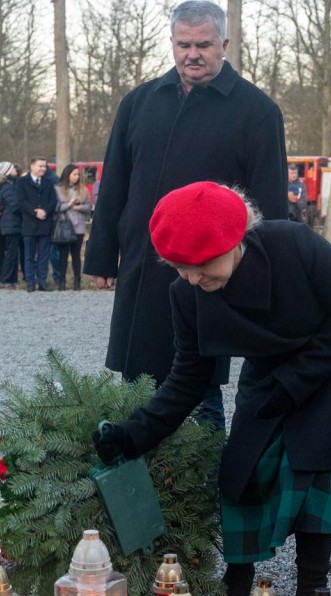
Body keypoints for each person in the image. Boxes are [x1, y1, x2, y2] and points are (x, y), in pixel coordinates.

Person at [92, 182, 331, 596]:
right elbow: (188, 378)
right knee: (241, 469)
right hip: (270, 369)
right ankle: (237, 578)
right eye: (180, 268)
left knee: (309, 462)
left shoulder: (295, 246)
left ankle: (312, 594)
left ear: (235, 239)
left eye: (202, 265)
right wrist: (134, 435)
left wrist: (293, 384)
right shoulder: (186, 293)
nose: (193, 278)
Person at [82, 0, 288, 429]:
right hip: (143, 262)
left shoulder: (257, 111)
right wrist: (102, 254)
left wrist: (261, 273)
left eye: (204, 44)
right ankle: (140, 469)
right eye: (183, 44)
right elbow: (115, 182)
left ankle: (205, 483)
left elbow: (269, 204)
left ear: (224, 44)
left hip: (207, 270)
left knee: (197, 383)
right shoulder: (139, 102)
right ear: (172, 43)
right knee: (137, 380)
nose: (192, 54)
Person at [17, 156, 58, 292]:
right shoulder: (22, 182)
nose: (43, 169)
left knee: (43, 256)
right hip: (29, 224)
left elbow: (53, 201)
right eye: (40, 166)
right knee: (29, 255)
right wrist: (35, 212)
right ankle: (30, 282)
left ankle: (42, 281)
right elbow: (21, 201)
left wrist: (45, 211)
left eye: (44, 166)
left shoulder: (48, 182)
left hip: (45, 224)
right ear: (32, 167)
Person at [54, 164, 92, 291]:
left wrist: (79, 207)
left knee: (76, 255)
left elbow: (88, 207)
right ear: (67, 175)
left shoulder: (83, 189)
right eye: (74, 174)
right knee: (63, 255)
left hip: (79, 226)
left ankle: (77, 282)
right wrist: (69, 204)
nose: (77, 177)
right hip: (64, 225)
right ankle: (62, 282)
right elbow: (56, 207)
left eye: (78, 174)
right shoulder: (58, 189)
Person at [0, 162, 22, 289]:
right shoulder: (8, 187)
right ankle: (6, 279)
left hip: (12, 223)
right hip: (10, 224)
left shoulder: (9, 185)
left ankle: (11, 279)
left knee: (13, 253)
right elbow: (15, 205)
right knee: (10, 253)